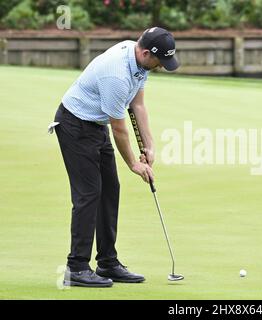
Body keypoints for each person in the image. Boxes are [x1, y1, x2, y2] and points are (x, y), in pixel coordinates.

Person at [51, 27, 179, 287]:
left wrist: (150, 146)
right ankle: (76, 268)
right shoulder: (117, 75)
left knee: (110, 189)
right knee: (89, 194)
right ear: (145, 52)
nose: (162, 67)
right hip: (75, 125)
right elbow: (119, 128)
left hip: (95, 125)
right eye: (160, 61)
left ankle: (107, 261)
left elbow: (138, 105)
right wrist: (134, 162)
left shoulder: (140, 64)